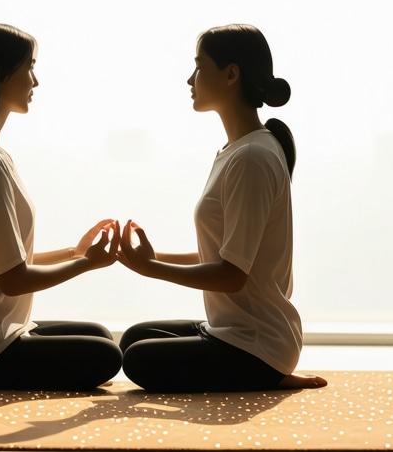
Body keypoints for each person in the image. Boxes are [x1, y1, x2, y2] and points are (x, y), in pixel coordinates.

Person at [115, 24, 327, 393]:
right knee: (134, 339)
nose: (189, 79)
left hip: (256, 344)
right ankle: (265, 371)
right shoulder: (237, 151)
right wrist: (153, 256)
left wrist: (152, 269)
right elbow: (226, 252)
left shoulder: (252, 157)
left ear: (231, 74)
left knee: (137, 359)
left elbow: (232, 275)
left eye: (198, 67)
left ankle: (269, 374)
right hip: (231, 331)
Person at [0, 21, 122, 390]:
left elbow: (8, 263)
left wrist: (75, 251)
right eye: (30, 66)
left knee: (100, 335)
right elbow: (13, 280)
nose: (35, 80)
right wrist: (86, 264)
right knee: (107, 356)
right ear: (0, 74)